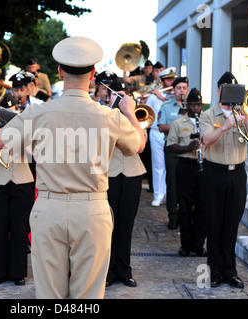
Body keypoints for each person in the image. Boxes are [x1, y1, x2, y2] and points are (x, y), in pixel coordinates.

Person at [0, 36, 145, 299]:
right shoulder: (109, 116)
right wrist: (128, 111)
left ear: (59, 72)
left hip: (49, 207)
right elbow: (138, 145)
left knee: (50, 295)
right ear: (92, 75)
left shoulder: (37, 113)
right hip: (92, 210)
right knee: (88, 297)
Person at [200, 72, 248, 288]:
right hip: (214, 173)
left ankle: (230, 270)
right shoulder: (208, 115)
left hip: (237, 174)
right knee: (214, 223)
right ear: (219, 90)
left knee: (231, 224)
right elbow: (207, 140)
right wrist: (225, 126)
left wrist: (244, 112)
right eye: (227, 89)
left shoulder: (244, 115)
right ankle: (213, 272)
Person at [0, 97, 35, 286]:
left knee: (20, 229)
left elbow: (33, 152)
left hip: (22, 181)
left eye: (11, 109)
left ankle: (18, 273)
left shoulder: (25, 127)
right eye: (4, 110)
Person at [104, 77, 147, 288]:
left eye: (122, 95)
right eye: (114, 94)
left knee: (126, 225)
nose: (118, 98)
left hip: (131, 173)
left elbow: (141, 144)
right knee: (108, 225)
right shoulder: (102, 115)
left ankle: (125, 270)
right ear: (107, 95)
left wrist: (129, 113)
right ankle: (109, 271)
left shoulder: (135, 114)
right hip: (109, 174)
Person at [166, 88, 207, 257]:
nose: (196, 108)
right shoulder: (178, 123)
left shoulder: (207, 121)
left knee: (202, 208)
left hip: (203, 166)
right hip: (185, 166)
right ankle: (185, 245)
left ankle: (198, 245)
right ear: (188, 105)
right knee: (184, 207)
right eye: (193, 105)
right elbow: (170, 147)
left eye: (198, 105)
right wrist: (188, 147)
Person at [158, 76, 189, 230]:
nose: (181, 91)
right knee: (172, 182)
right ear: (174, 90)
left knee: (187, 183)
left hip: (189, 149)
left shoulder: (192, 105)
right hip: (172, 147)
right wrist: (179, 126)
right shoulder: (166, 106)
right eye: (178, 88)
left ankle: (185, 215)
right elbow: (161, 126)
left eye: (184, 88)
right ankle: (172, 215)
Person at [146, 67, 177, 207]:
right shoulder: (153, 97)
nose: (172, 82)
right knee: (158, 164)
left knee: (172, 166)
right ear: (162, 81)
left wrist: (162, 98)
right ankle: (158, 194)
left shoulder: (176, 96)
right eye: (169, 79)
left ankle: (170, 195)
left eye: (173, 79)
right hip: (156, 132)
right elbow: (146, 115)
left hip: (172, 134)